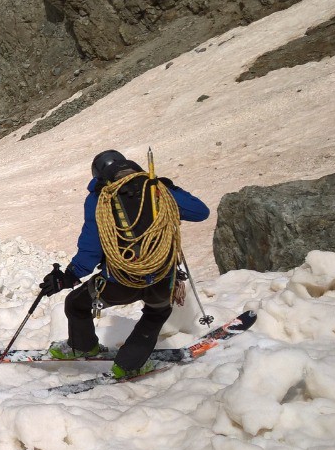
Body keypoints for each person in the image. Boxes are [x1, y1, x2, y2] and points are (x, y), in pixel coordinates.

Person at [39, 149, 210, 378]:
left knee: (76, 303)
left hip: (120, 281)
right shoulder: (156, 189)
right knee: (157, 312)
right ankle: (129, 365)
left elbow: (92, 247)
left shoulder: (101, 198)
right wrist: (169, 188)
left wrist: (69, 276)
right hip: (162, 278)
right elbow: (200, 212)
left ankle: (83, 346)